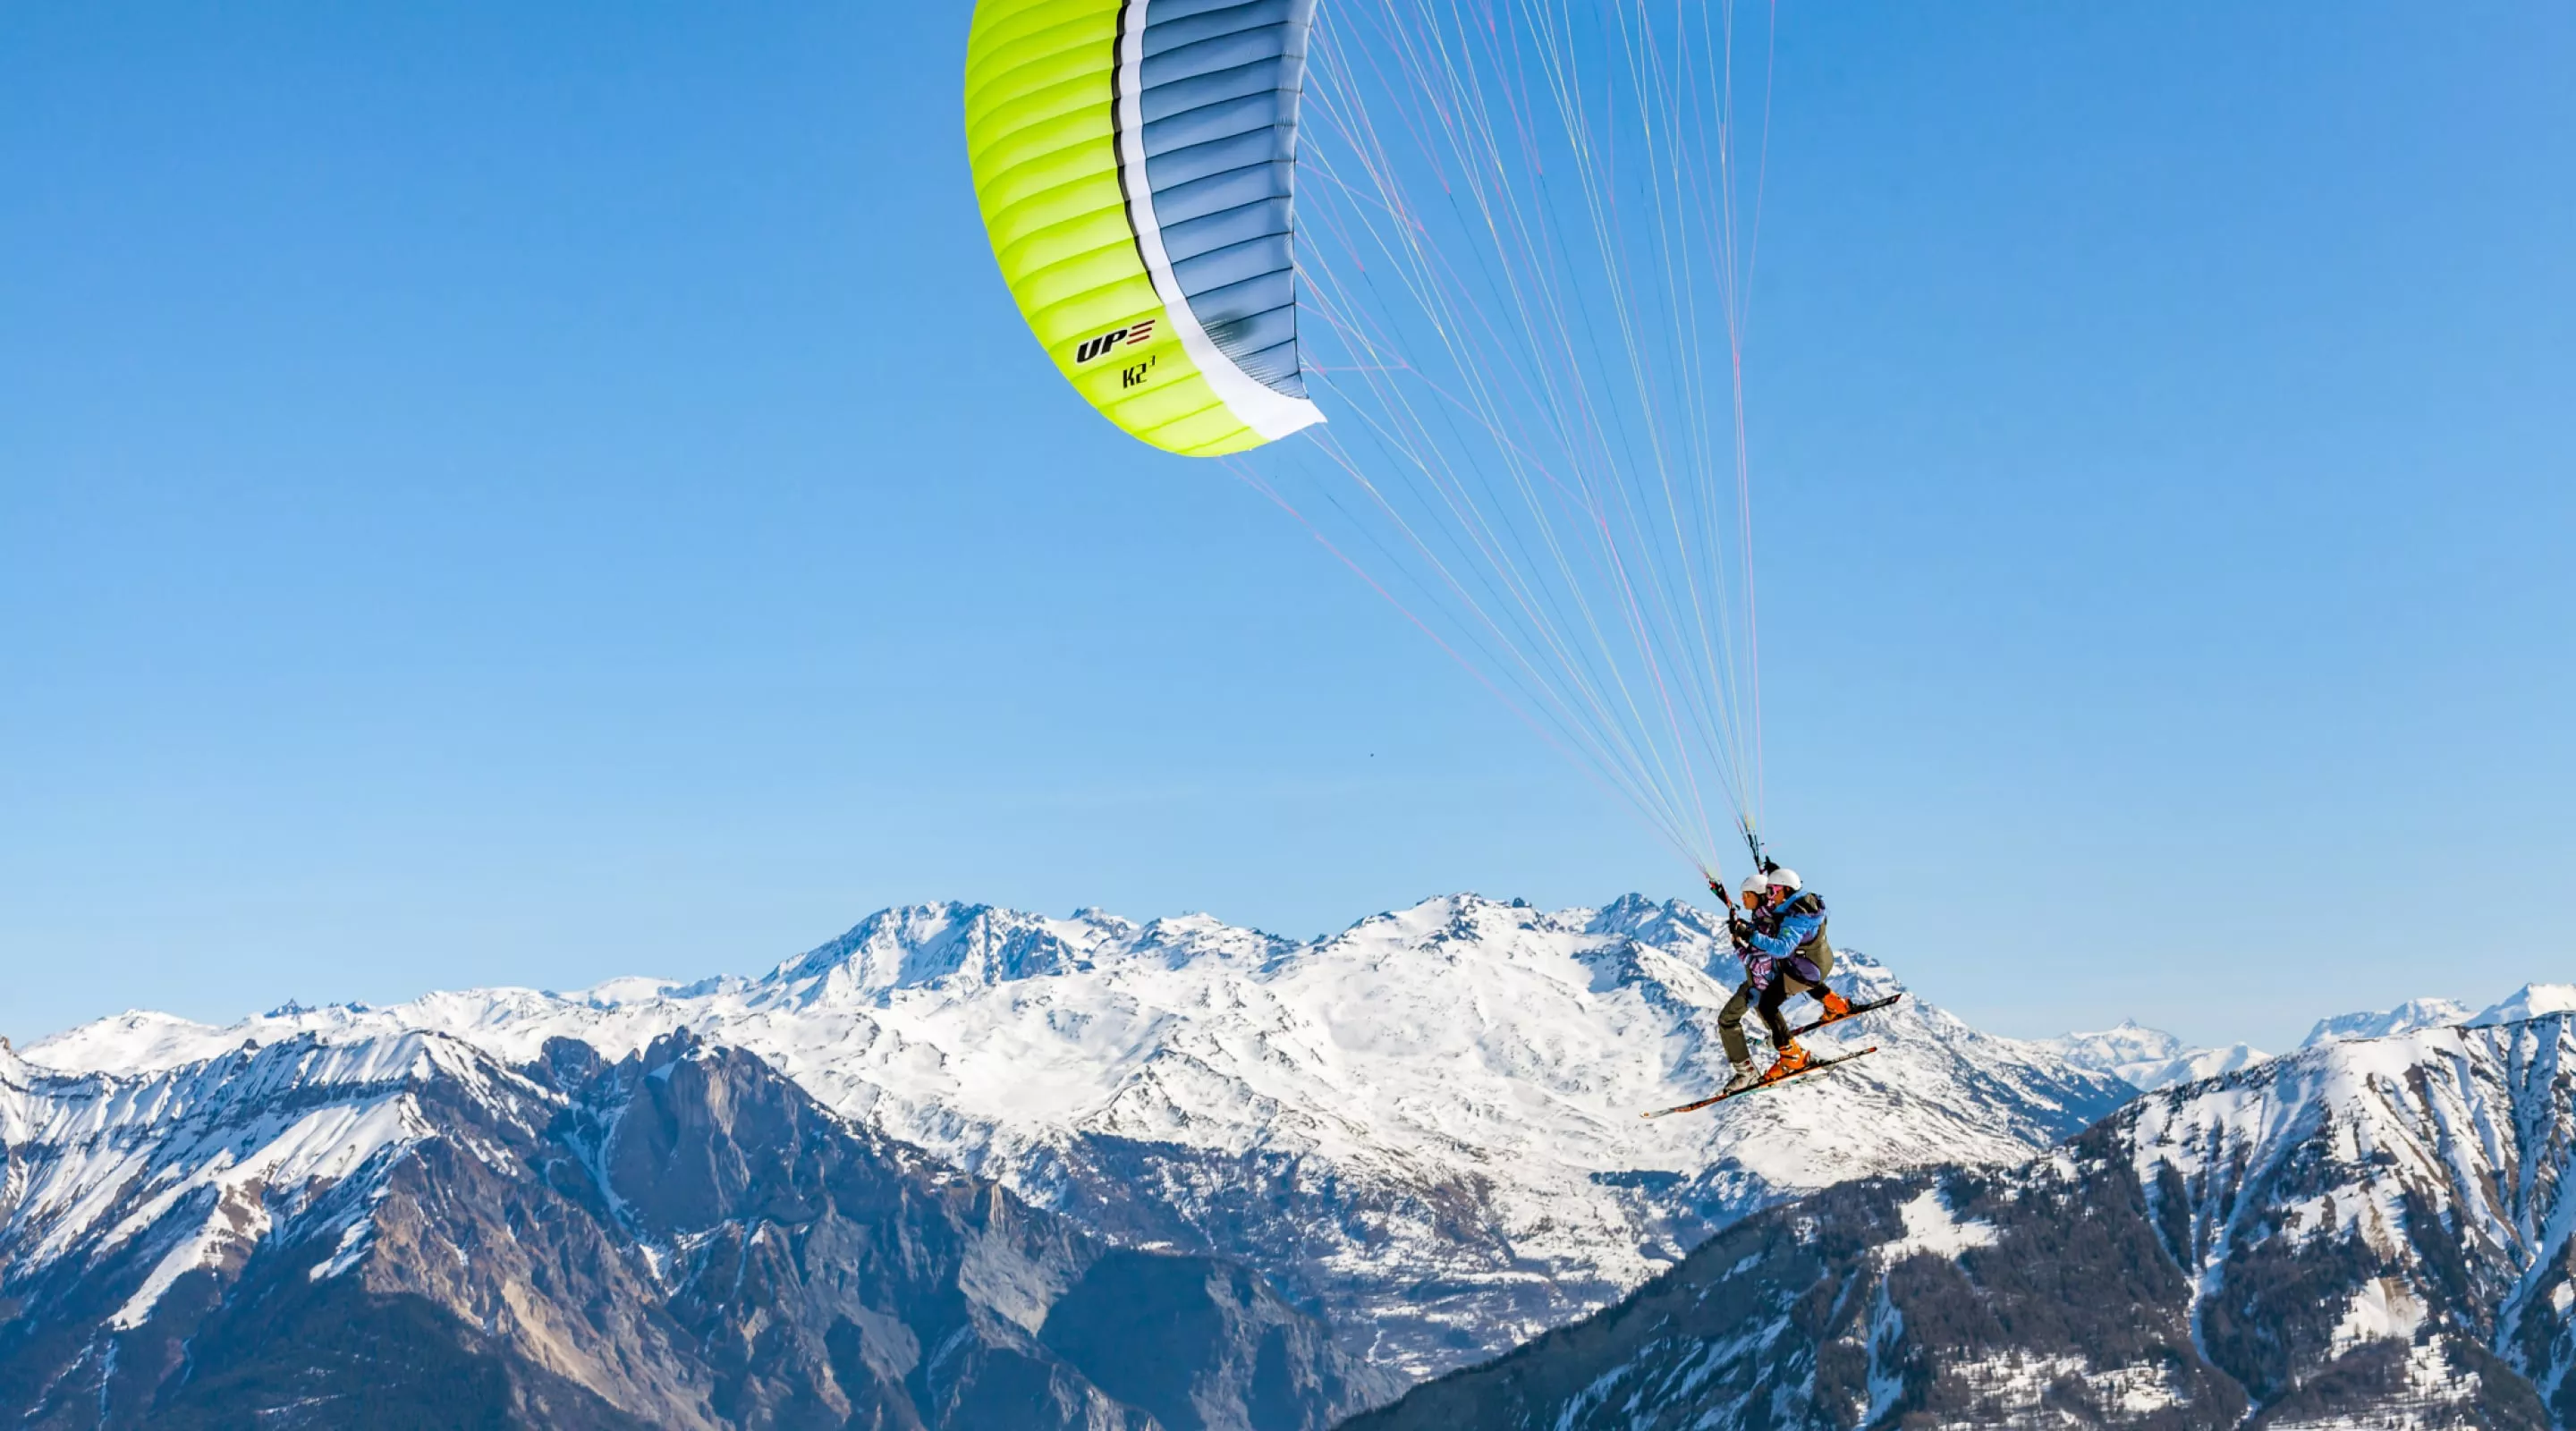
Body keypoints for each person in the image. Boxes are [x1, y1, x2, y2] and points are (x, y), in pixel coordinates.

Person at [1707, 865, 1850, 1095]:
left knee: (1735, 1018)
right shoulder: (1777, 913)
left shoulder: (1774, 919)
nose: (1743, 899)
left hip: (1762, 981)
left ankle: (1750, 1071)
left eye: (1747, 895)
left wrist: (1742, 939)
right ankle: (1798, 1047)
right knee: (1773, 1015)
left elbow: (1767, 955)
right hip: (1797, 970)